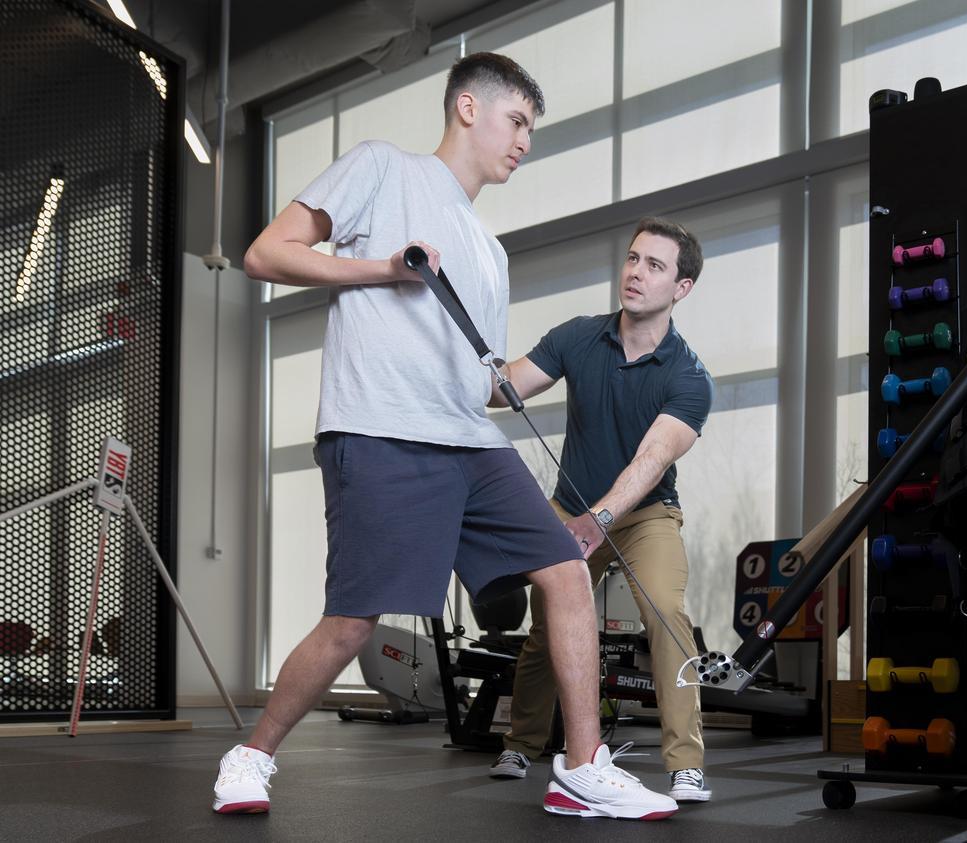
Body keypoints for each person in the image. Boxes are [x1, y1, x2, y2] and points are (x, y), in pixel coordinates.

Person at [213, 53, 676, 821]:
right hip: (380, 429)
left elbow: (475, 379)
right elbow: (267, 252)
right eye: (517, 121)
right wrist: (384, 268)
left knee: (564, 568)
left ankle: (582, 767)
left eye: (532, 128)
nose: (525, 141)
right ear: (468, 107)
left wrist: (562, 365)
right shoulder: (382, 170)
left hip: (469, 440)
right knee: (355, 617)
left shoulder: (489, 253)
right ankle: (252, 752)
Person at [489, 217, 716, 803]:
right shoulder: (578, 336)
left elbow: (650, 460)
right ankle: (522, 741)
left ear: (682, 288)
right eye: (633, 259)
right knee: (548, 628)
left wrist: (601, 520)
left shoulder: (690, 378)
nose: (636, 273)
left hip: (644, 516)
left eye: (655, 266)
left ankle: (685, 763)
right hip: (570, 508)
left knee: (666, 614)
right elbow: (503, 387)